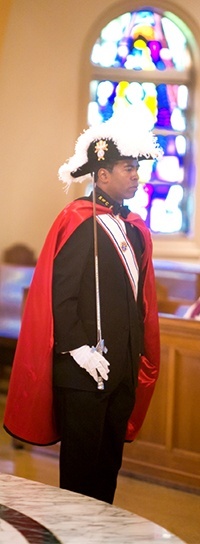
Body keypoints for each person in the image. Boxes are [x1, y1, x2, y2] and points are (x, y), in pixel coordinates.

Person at [4, 108, 162, 504]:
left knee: (108, 470)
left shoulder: (136, 230)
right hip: (84, 368)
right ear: (103, 174)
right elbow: (62, 296)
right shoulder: (78, 221)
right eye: (128, 168)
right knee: (79, 476)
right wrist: (78, 349)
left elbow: (140, 303)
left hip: (121, 369)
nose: (136, 176)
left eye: (136, 168)